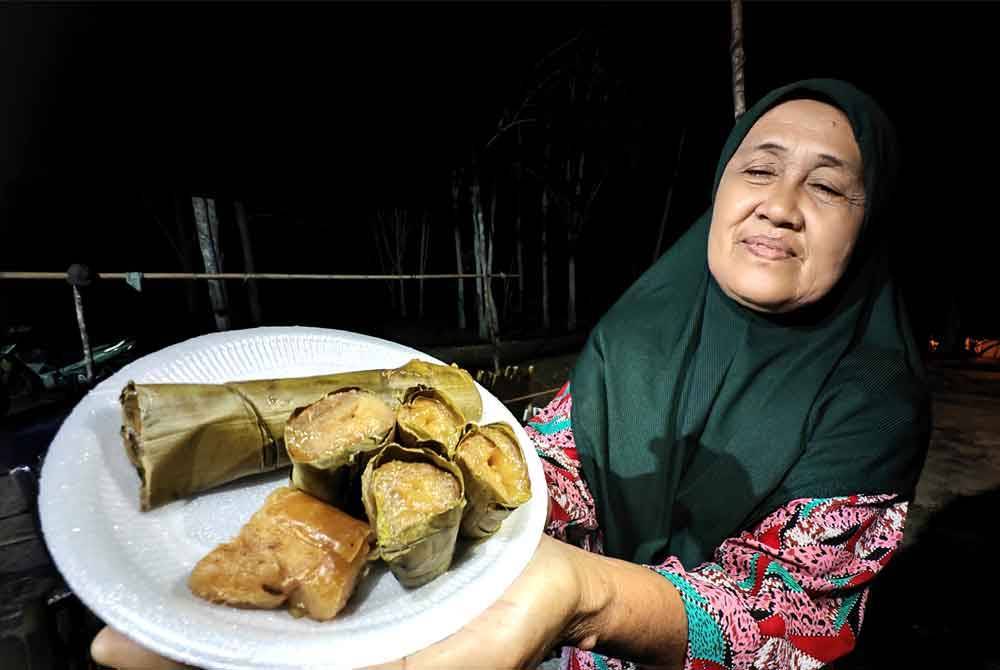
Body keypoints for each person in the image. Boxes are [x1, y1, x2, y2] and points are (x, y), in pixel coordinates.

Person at [91, 78, 930, 670]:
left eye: (827, 187)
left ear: (870, 225)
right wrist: (397, 519)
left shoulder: (872, 400)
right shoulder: (642, 327)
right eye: (759, 167)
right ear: (722, 188)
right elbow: (555, 469)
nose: (780, 203)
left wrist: (588, 596)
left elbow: (786, 621)